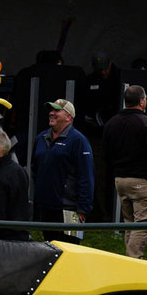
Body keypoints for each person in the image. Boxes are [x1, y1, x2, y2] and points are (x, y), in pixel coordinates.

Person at [103, 85, 147, 259]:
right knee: (142, 225)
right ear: (141, 101)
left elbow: (106, 154)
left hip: (120, 180)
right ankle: (133, 260)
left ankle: (129, 260)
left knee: (129, 222)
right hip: (143, 181)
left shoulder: (111, 123)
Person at [32, 98, 94, 241]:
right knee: (49, 248)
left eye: (57, 111)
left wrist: (83, 208)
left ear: (69, 117)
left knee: (70, 248)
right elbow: (35, 169)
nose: (52, 113)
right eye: (51, 110)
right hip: (46, 208)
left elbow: (86, 176)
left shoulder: (79, 141)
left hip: (69, 209)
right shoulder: (41, 138)